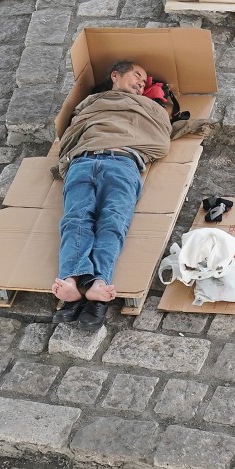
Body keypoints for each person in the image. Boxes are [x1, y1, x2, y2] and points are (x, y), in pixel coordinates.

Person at [50, 61, 172, 331]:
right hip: (83, 160)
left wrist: (125, 138)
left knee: (113, 221)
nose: (142, 82)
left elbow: (161, 143)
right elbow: (72, 133)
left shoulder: (151, 108)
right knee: (75, 219)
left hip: (123, 162)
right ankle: (70, 279)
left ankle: (98, 281)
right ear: (115, 75)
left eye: (145, 80)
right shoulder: (92, 102)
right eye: (137, 75)